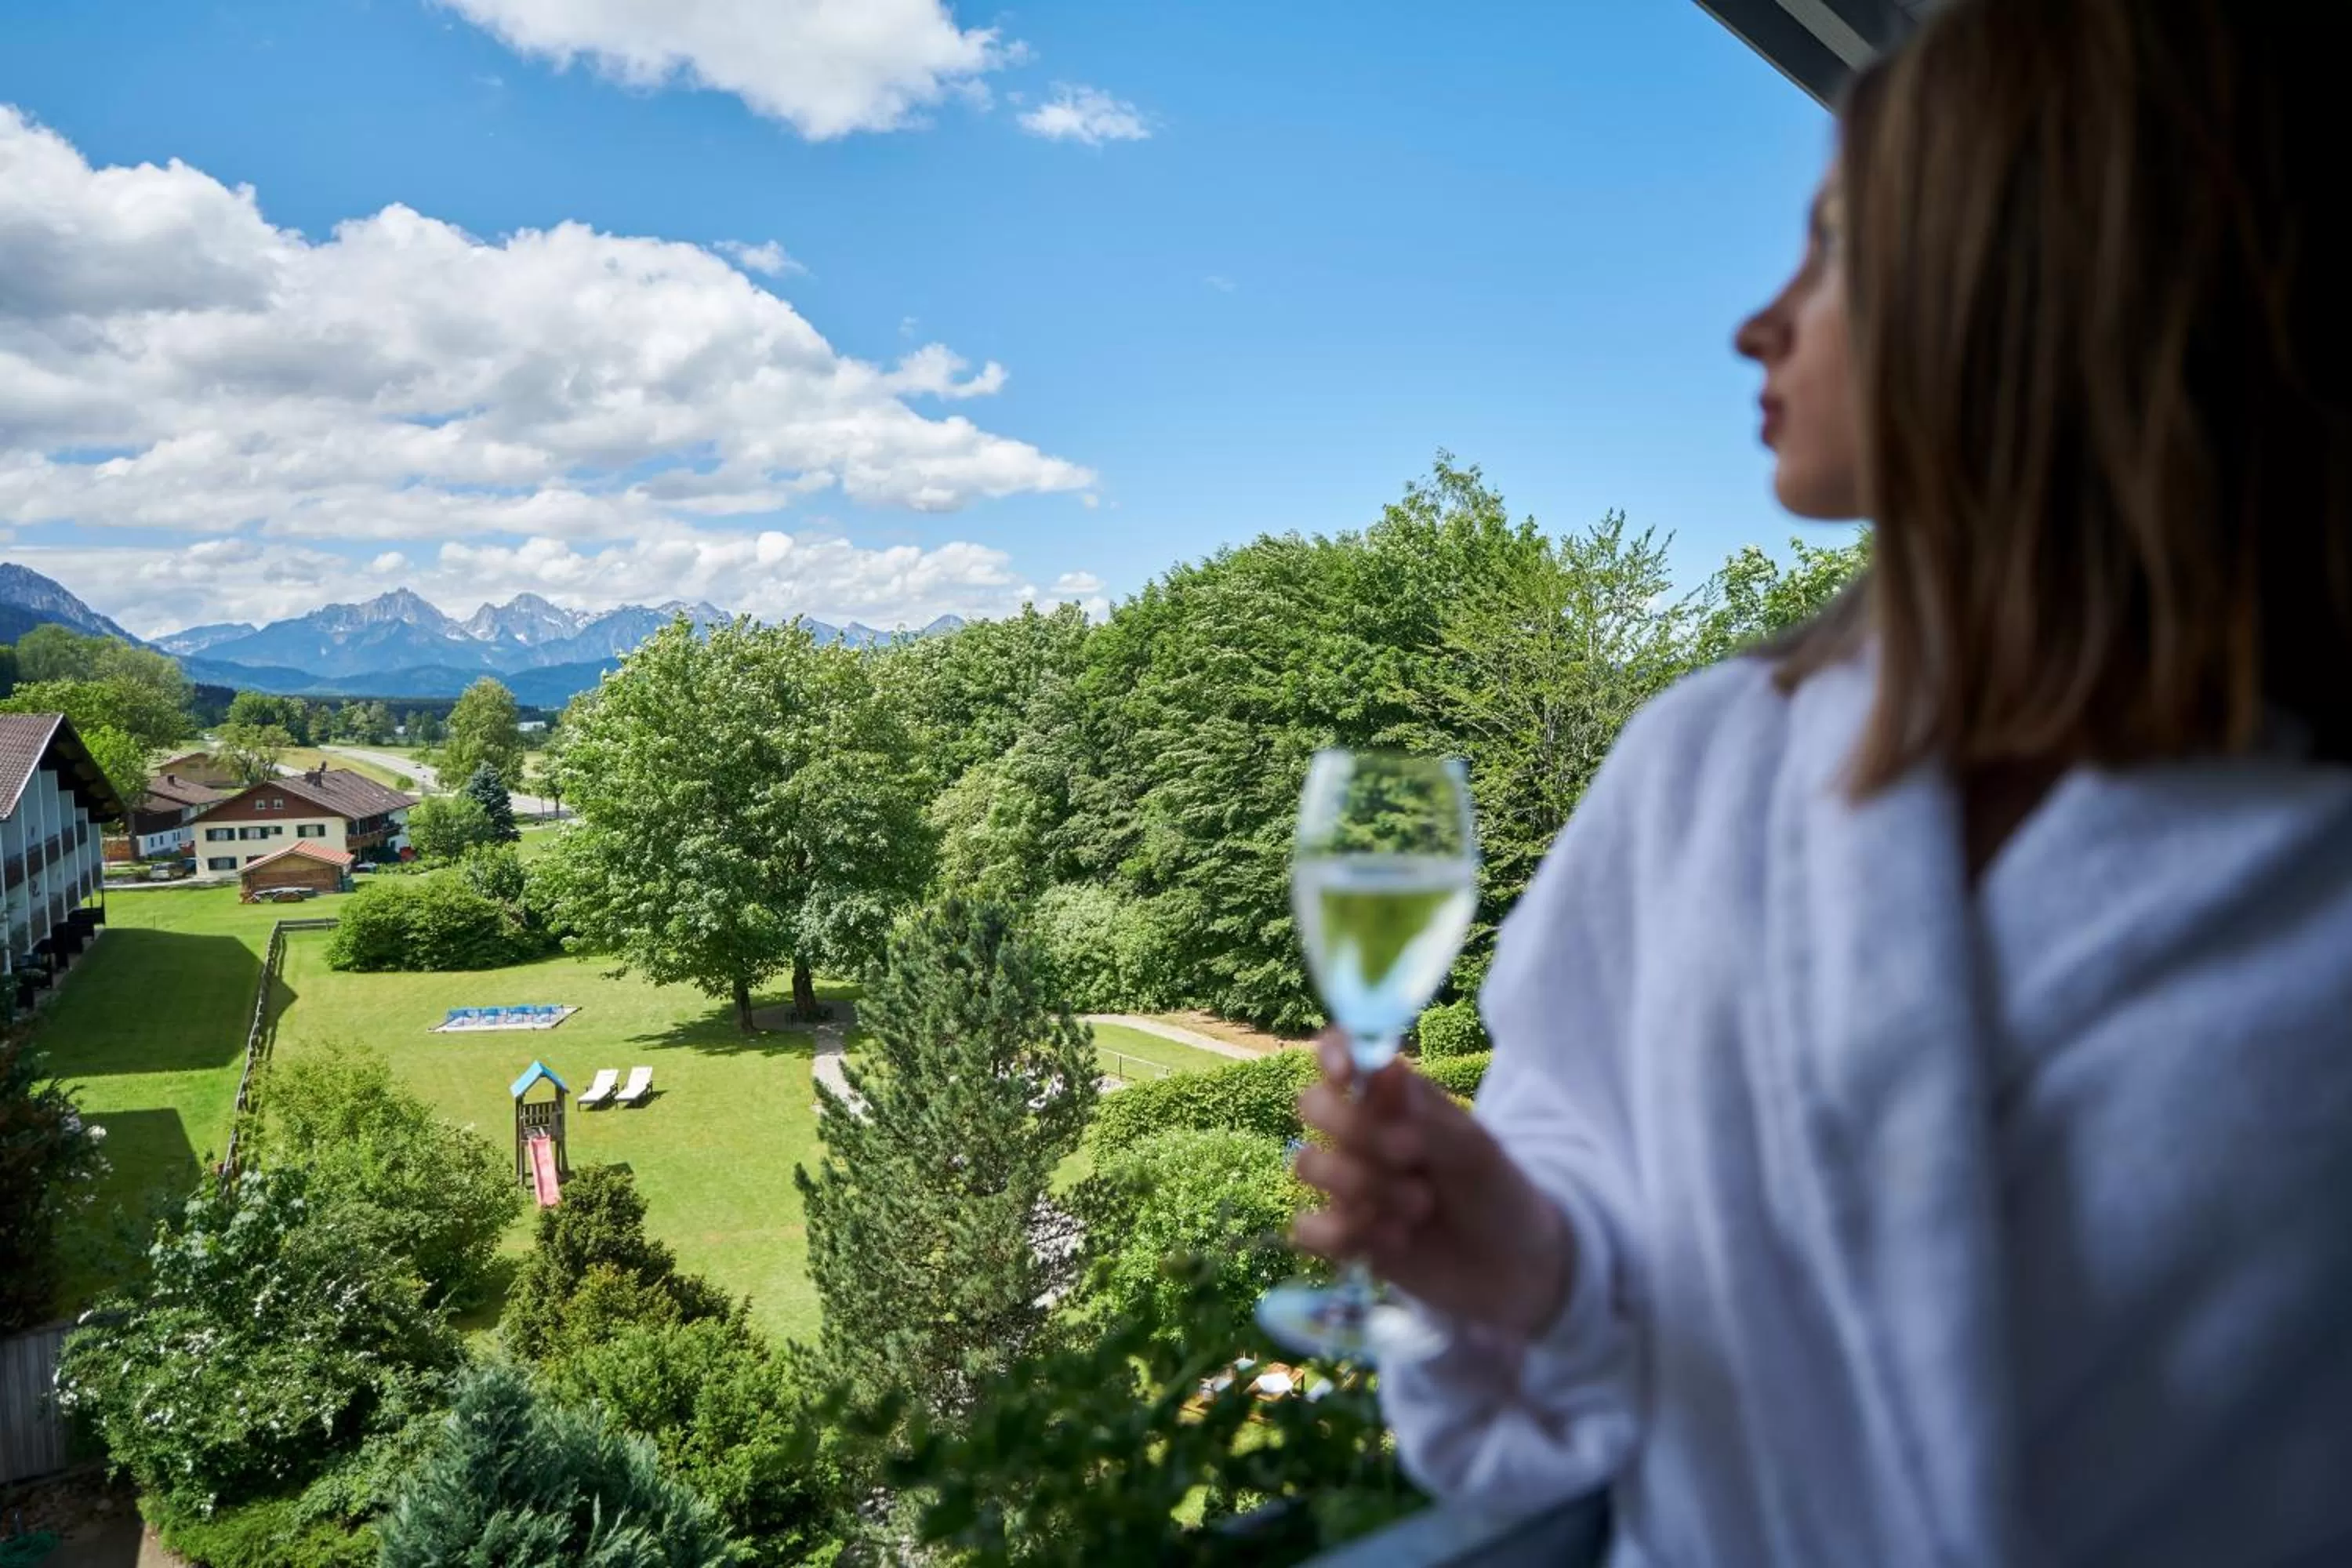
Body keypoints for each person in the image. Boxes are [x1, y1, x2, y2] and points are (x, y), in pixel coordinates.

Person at [1290, 2, 2352, 1562]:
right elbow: (1587, 1178)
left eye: (1835, 247)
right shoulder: (1699, 772)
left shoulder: (2308, 874)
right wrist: (1524, 1257)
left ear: (2026, 289)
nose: (1758, 323)